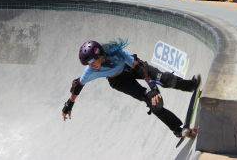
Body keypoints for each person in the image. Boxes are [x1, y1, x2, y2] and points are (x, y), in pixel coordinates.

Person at [61, 39, 201, 138]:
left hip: (132, 68)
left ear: (99, 55)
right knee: (153, 102)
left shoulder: (117, 54)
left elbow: (139, 67)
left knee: (166, 79)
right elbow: (77, 85)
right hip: (120, 82)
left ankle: (190, 85)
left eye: (92, 63)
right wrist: (69, 104)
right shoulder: (90, 71)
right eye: (88, 65)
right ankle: (176, 129)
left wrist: (153, 86)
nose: (92, 67)